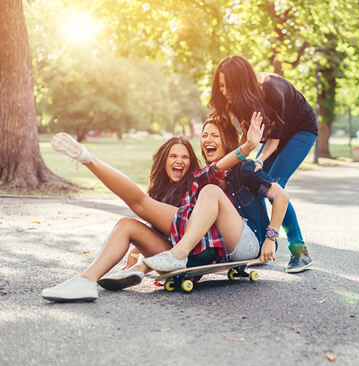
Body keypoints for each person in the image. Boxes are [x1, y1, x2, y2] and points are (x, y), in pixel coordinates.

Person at [41, 113, 288, 302]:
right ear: (163, 161)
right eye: (173, 156)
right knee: (127, 224)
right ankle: (86, 280)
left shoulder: (202, 178)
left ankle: (89, 160)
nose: (179, 161)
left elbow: (224, 168)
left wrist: (247, 147)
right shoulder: (174, 189)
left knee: (143, 203)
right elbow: (159, 227)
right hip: (180, 247)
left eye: (184, 157)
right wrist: (141, 258)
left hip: (213, 247)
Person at [210, 55, 318, 273]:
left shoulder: (271, 91)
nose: (223, 91)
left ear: (240, 84)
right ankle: (261, 246)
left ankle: (300, 252)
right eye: (220, 86)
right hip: (273, 135)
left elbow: (274, 142)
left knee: (273, 185)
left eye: (227, 86)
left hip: (301, 131)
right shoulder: (238, 101)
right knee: (254, 185)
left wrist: (258, 160)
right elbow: (248, 135)